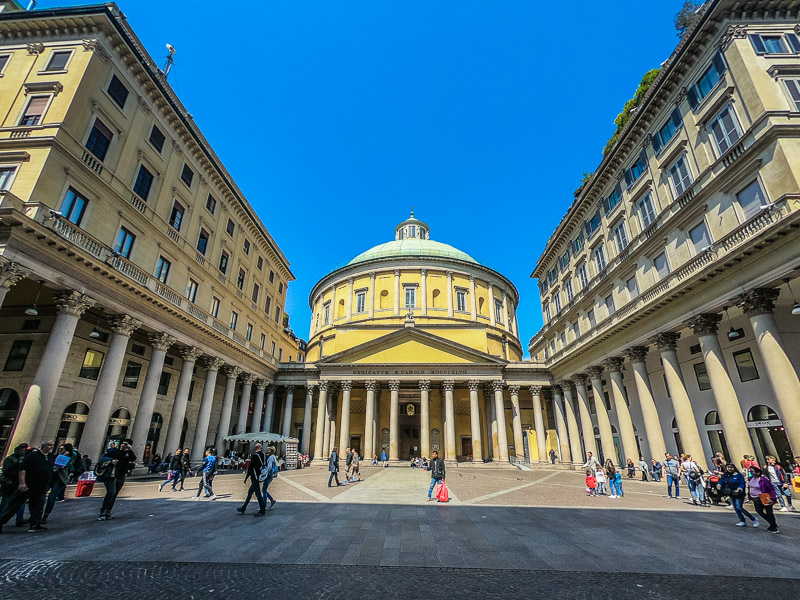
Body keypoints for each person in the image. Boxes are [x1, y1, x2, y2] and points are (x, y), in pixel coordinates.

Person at [0, 440, 54, 533]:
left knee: (38, 504)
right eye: (49, 445)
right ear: (43, 445)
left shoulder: (50, 457)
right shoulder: (33, 456)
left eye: (52, 445)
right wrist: (22, 483)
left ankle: (35, 524)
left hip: (41, 486)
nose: (51, 447)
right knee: (15, 504)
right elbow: (22, 469)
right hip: (29, 484)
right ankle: (1, 521)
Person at [98, 439, 137, 521]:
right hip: (110, 475)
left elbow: (133, 458)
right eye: (123, 443)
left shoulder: (128, 453)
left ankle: (108, 512)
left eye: (126, 444)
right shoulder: (113, 451)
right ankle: (103, 512)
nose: (123, 445)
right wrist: (111, 461)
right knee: (111, 492)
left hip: (121, 475)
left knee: (114, 494)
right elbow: (103, 459)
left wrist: (129, 450)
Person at [0, 442, 30, 529]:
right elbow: (5, 473)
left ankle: (19, 519)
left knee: (21, 503)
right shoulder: (10, 459)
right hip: (10, 485)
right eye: (22, 450)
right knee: (6, 504)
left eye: (25, 450)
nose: (23, 451)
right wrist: (10, 482)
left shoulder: (23, 458)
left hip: (18, 483)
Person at [717, 463, 756, 527]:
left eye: (731, 467)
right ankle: (742, 520)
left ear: (734, 468)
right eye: (728, 467)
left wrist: (740, 488)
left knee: (739, 507)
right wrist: (719, 484)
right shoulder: (726, 474)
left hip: (739, 493)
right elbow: (722, 480)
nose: (730, 469)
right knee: (735, 508)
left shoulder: (738, 475)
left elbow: (742, 483)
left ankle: (753, 519)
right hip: (731, 492)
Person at [43, 444, 72, 524]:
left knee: (52, 497)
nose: (60, 451)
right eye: (59, 449)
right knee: (41, 496)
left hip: (60, 479)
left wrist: (64, 456)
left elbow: (60, 466)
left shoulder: (69, 458)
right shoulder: (53, 456)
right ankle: (37, 514)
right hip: (50, 478)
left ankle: (46, 515)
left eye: (62, 449)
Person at [238, 443, 266, 515]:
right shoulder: (264, 455)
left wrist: (246, 477)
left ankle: (262, 510)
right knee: (250, 493)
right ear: (261, 448)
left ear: (255, 448)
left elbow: (251, 468)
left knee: (258, 494)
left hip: (255, 477)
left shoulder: (254, 456)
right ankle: (243, 508)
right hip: (261, 475)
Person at [749, 466, 779, 533]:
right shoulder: (751, 479)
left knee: (769, 512)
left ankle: (773, 526)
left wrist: (773, 498)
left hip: (764, 497)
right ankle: (772, 523)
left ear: (758, 472)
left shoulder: (763, 479)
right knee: (759, 510)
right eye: (750, 471)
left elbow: (771, 489)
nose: (750, 473)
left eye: (752, 471)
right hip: (755, 498)